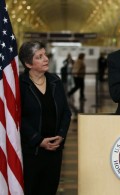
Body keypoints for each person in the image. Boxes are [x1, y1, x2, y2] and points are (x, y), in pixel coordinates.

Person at [18, 41, 71, 195]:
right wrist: (39, 141)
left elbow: (66, 113)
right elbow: (18, 118)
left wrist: (61, 135)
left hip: (55, 151)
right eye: (39, 57)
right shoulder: (20, 85)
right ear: (28, 63)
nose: (46, 59)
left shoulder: (55, 80)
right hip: (32, 152)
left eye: (45, 54)